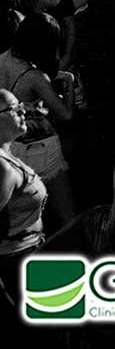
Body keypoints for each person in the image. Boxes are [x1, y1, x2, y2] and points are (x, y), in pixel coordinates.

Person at [0, 15, 76, 228]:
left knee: (20, 218)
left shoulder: (2, 58)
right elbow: (65, 114)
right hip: (41, 148)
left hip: (10, 147)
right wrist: (69, 82)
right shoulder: (35, 77)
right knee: (67, 217)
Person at [0, 88, 47, 314]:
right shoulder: (3, 169)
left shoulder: (7, 154)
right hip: (16, 264)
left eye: (21, 105)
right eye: (13, 108)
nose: (22, 111)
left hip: (27, 255)